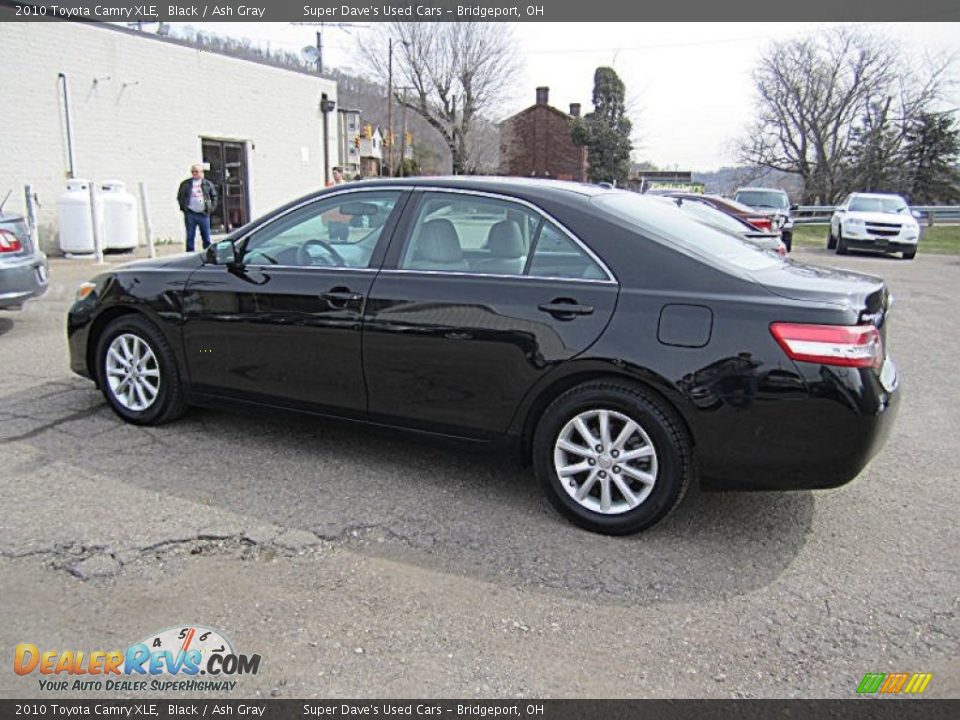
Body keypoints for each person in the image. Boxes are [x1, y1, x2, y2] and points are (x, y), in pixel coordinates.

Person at [177, 164, 219, 252]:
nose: (194, 173)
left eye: (196, 171)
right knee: (190, 237)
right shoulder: (186, 184)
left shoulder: (207, 184)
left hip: (203, 214)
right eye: (192, 171)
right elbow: (180, 197)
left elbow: (214, 197)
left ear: (201, 173)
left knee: (206, 237)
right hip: (190, 213)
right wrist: (184, 209)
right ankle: (189, 255)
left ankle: (208, 255)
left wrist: (210, 208)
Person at [323, 167, 350, 242]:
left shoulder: (346, 186)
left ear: (341, 174)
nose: (334, 176)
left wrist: (348, 217)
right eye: (333, 174)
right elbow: (326, 202)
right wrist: (324, 217)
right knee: (333, 240)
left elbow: (350, 202)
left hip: (343, 219)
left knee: (343, 240)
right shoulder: (330, 186)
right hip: (332, 219)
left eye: (335, 173)